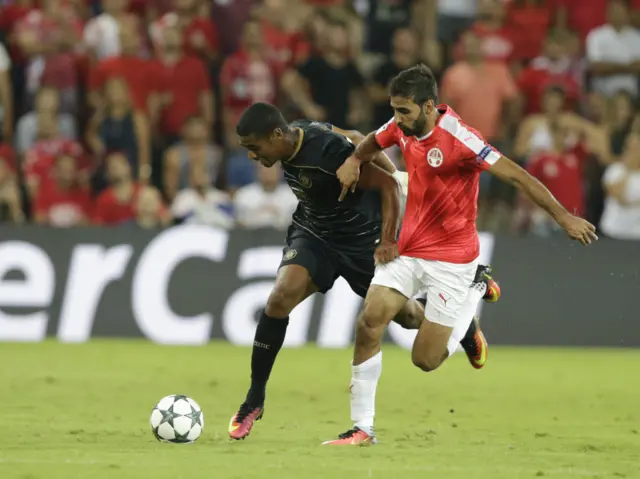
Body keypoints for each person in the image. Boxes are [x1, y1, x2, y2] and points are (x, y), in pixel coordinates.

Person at [323, 64, 598, 446]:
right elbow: (374, 139)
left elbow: (516, 175)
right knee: (369, 322)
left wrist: (564, 216)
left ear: (429, 105)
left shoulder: (462, 138)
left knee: (425, 360)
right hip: (409, 250)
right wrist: (355, 159)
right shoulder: (401, 125)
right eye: (395, 110)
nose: (397, 119)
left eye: (404, 111)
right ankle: (362, 429)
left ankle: (474, 291)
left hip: (452, 260)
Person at [227, 102, 501, 441]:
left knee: (410, 319)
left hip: (360, 241)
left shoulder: (327, 154)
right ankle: (254, 399)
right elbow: (358, 136)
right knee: (278, 299)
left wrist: (388, 235)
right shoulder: (301, 130)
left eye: (255, 147)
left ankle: (463, 323)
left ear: (276, 134)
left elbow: (385, 186)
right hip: (314, 233)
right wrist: (383, 166)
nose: (254, 156)